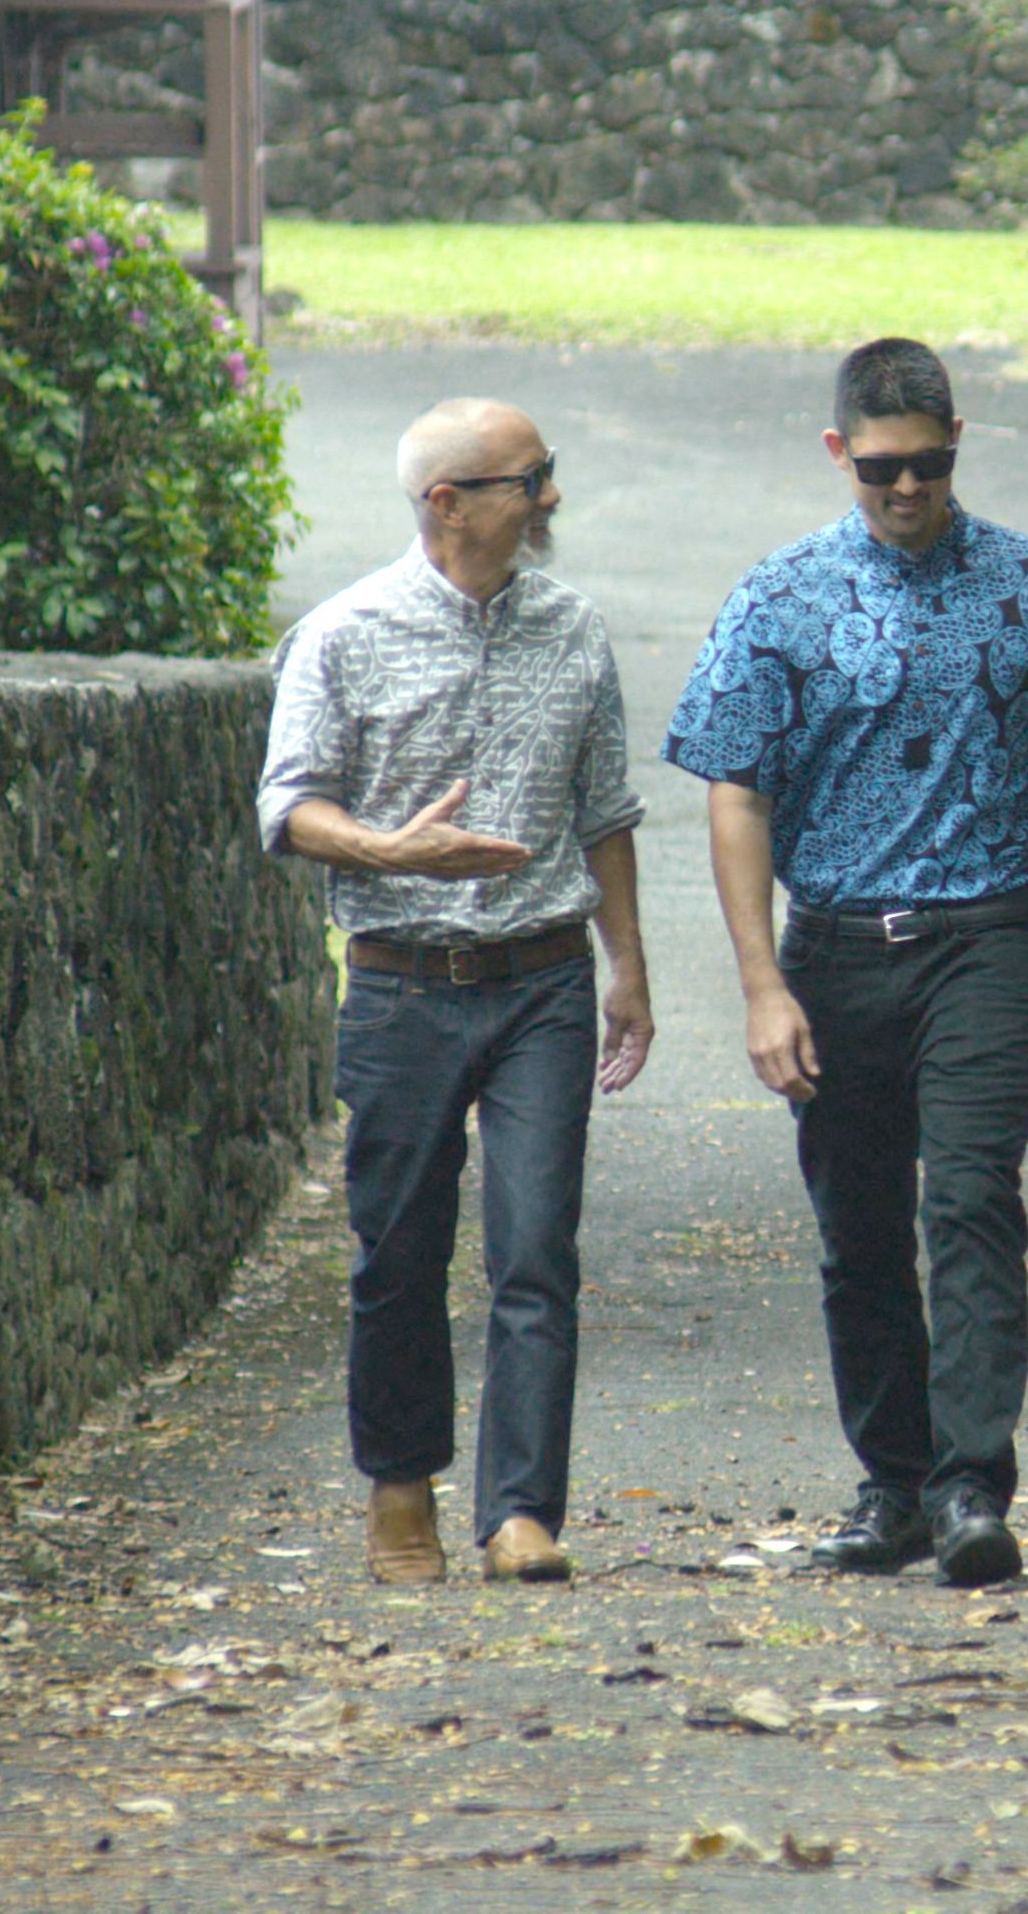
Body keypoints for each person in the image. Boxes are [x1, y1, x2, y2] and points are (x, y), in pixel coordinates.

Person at [666, 337, 1028, 1588]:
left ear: (957, 447)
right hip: (833, 948)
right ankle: (892, 1483)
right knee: (861, 1229)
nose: (907, 490)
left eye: (930, 466)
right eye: (882, 468)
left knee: (972, 1200)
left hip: (984, 936)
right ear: (840, 453)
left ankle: (969, 1489)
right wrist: (761, 987)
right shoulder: (778, 599)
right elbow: (736, 796)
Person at [255, 398, 655, 1588]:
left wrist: (627, 964)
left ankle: (523, 1512)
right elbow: (291, 805)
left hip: (543, 979)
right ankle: (399, 1494)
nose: (551, 498)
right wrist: (392, 851)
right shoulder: (344, 635)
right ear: (449, 503)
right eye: (530, 478)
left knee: (537, 1250)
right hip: (401, 985)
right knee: (398, 1254)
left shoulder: (575, 630)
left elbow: (607, 814)